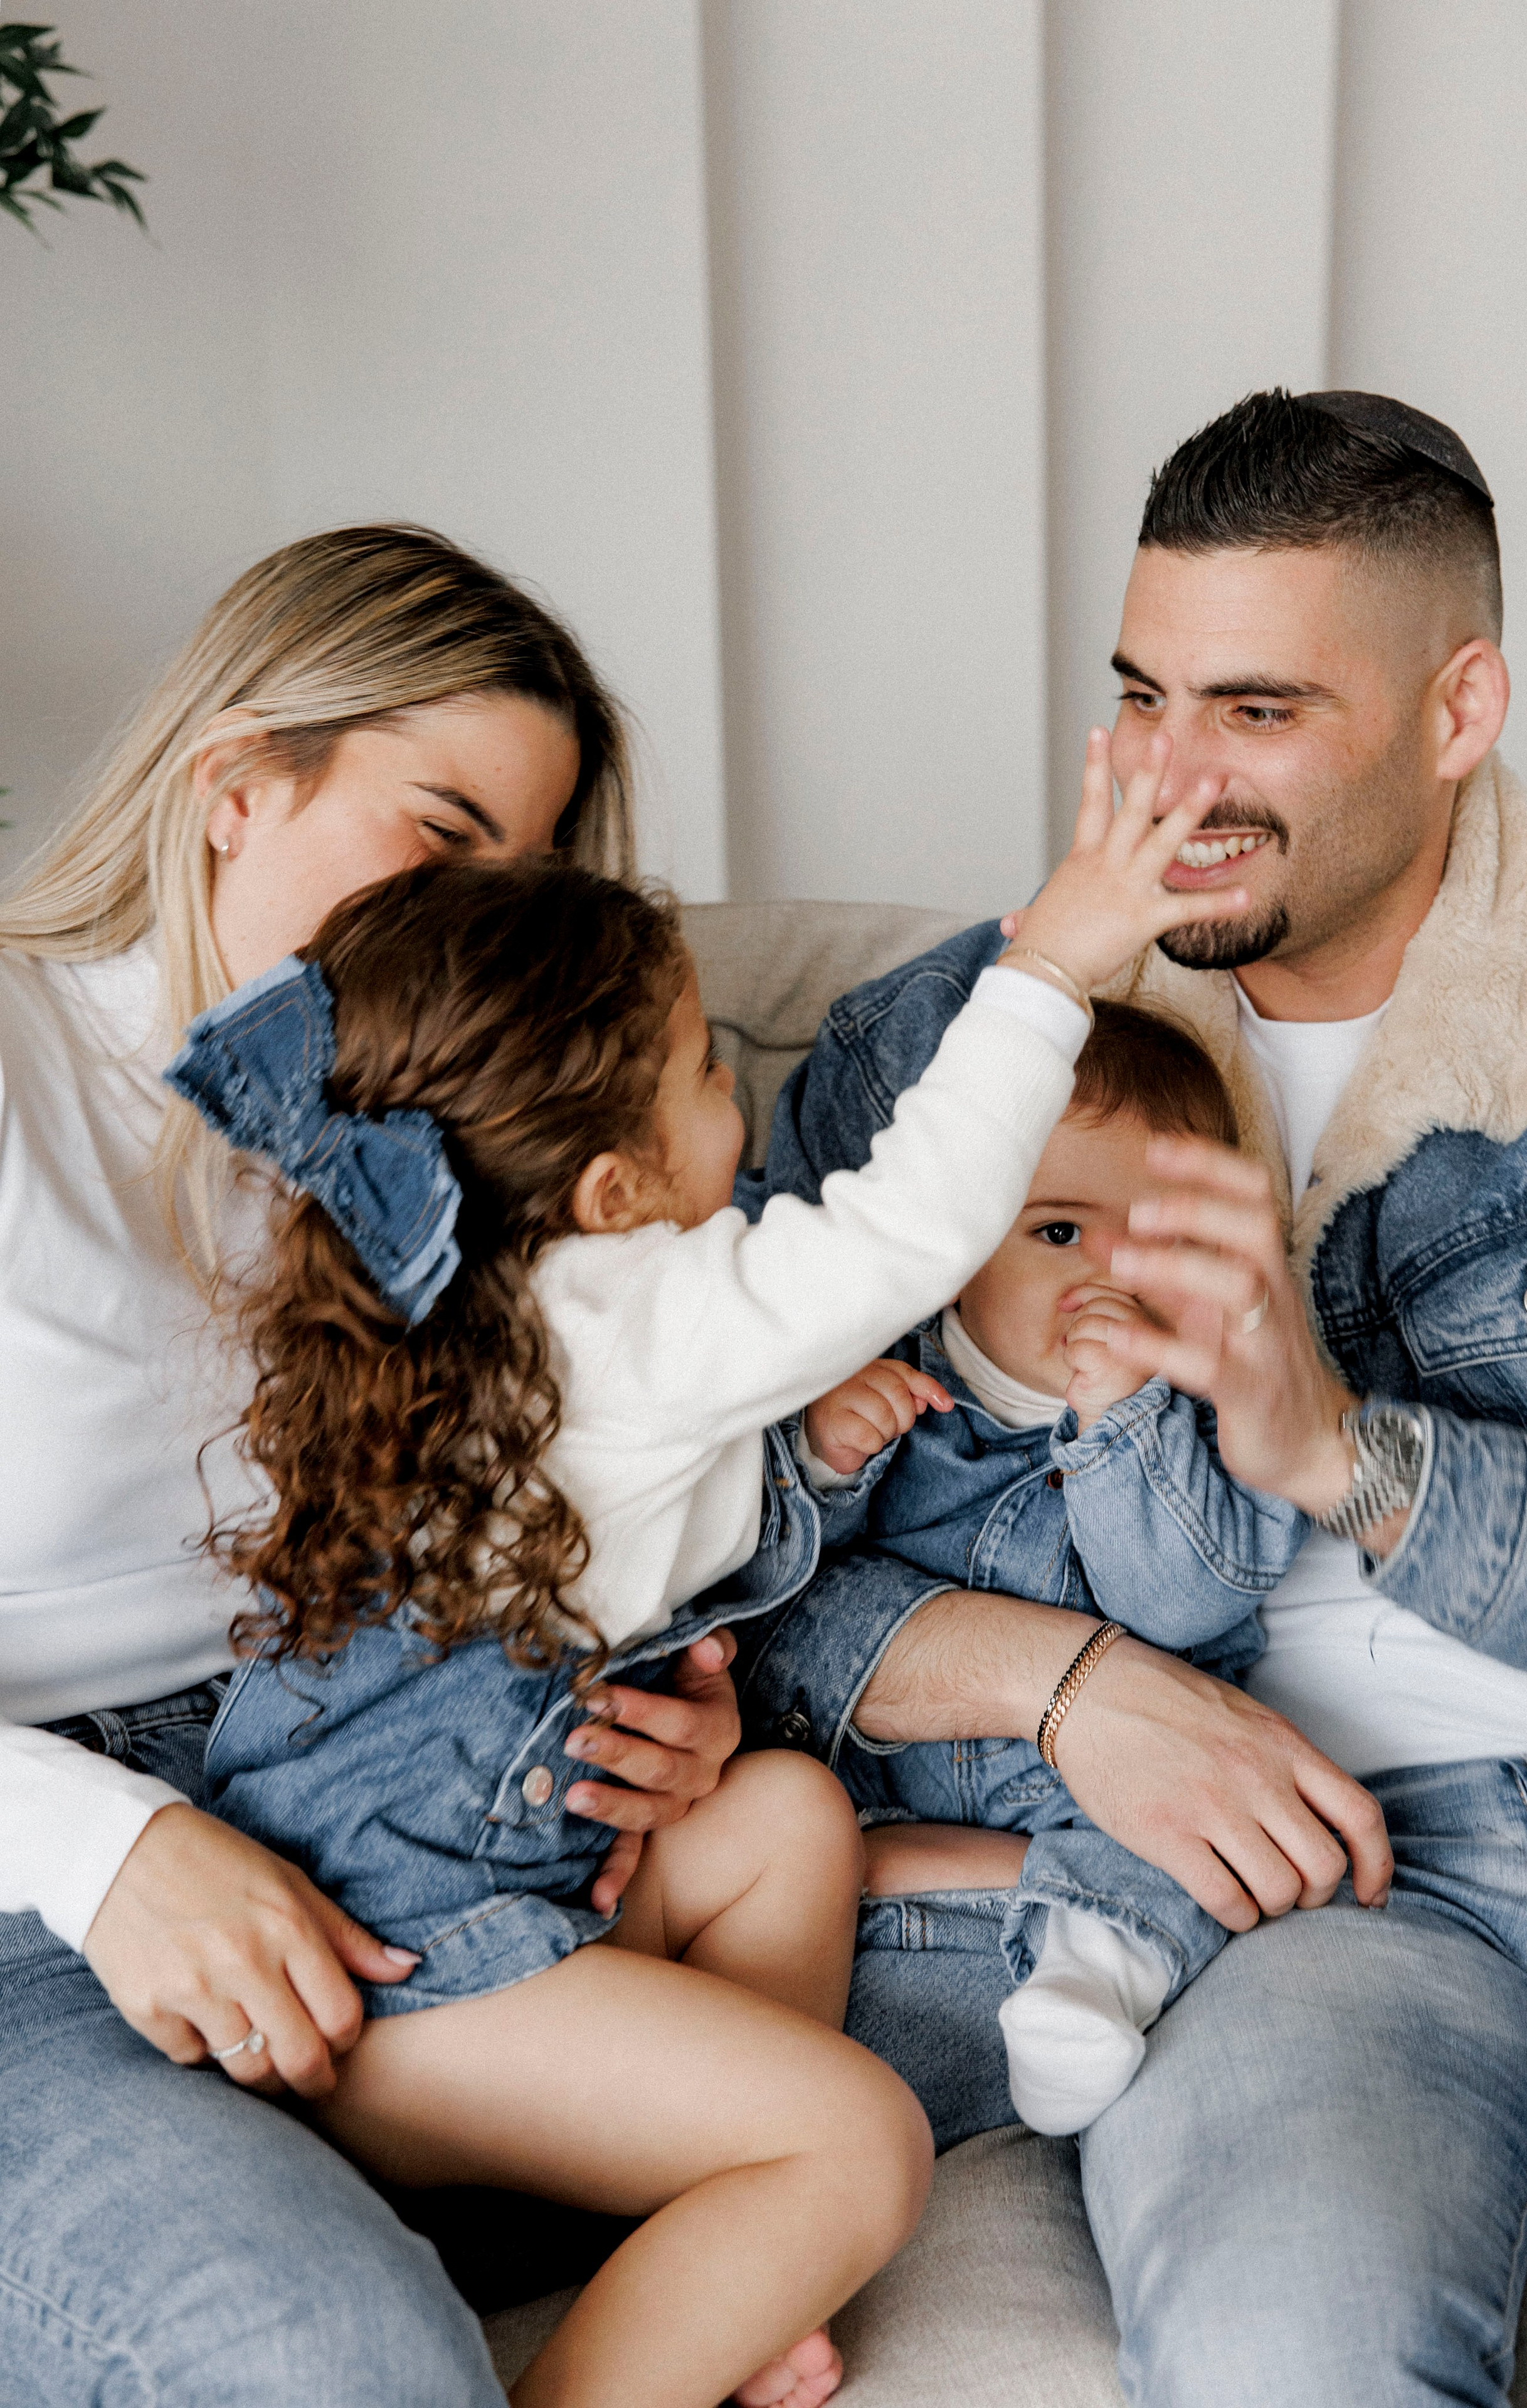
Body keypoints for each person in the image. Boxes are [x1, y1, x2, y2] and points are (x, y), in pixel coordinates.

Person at [168, 745, 1243, 2402]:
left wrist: (806, 1455)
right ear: (613, 1194)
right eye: (705, 1077)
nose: (744, 1105)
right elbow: (904, 1230)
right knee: (862, 2143)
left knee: (783, 1823)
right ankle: (675, 2296)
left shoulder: (496, 1316)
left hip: (447, 1917)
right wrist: (1051, 963)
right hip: (416, 1978)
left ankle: (709, 2233)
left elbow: (637, 1523)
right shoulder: (622, 1307)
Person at [739, 389, 1527, 2403]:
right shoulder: (944, 1053)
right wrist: (1067, 1686)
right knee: (1297, 2349)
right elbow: (719, 1566)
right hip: (1333, 1904)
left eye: (1259, 713)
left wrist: (1342, 1455)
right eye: (1142, 695)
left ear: (1457, 707)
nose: (1167, 781)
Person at [0, 524, 746, 2404]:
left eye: (534, 870)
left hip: (381, 1822)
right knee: (333, 2362)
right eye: (444, 829)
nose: (488, 915)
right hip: (45, 1880)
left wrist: (648, 1701)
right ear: (237, 787)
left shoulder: (469, 1143)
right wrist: (107, 1850)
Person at [793, 1001, 1311, 2134]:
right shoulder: (891, 1377)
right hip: (880, 1799)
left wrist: (1123, 1426)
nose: (1105, 1280)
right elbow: (776, 1601)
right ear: (959, 1237)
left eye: (1157, 1242)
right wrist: (826, 1460)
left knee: (1199, 1858)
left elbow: (1184, 1599)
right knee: (768, 1823)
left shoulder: (1214, 1419)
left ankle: (1086, 1974)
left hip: (1109, 1817)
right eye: (1059, 1233)